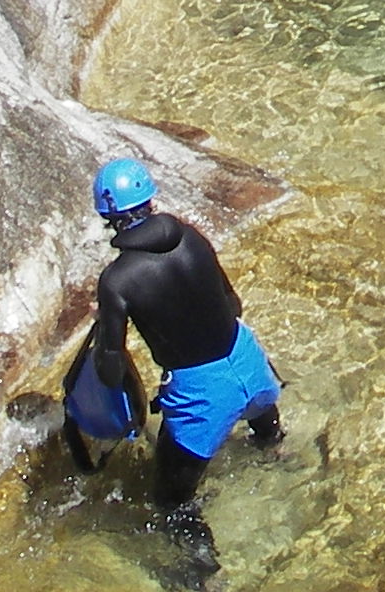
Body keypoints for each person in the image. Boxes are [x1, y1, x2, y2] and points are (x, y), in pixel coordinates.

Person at [89, 158, 283, 583]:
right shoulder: (192, 237)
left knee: (169, 502)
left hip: (203, 395)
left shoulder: (118, 280)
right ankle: (274, 448)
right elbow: (233, 305)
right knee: (262, 424)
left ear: (108, 216)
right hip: (252, 365)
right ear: (150, 198)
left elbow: (108, 367)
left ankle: (207, 577)